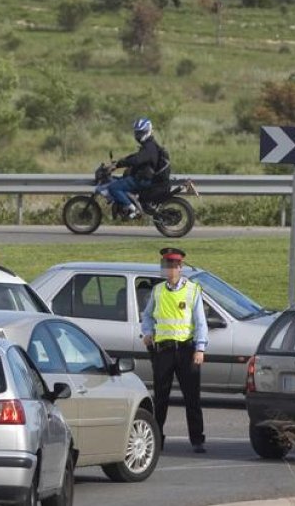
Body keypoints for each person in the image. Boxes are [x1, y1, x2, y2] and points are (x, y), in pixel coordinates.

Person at [140, 246, 208, 453]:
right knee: (160, 397)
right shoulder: (158, 290)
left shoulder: (192, 290)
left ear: (180, 267)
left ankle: (197, 440)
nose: (168, 270)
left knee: (192, 397)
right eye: (165, 266)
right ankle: (157, 438)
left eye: (172, 266)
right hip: (164, 351)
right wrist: (147, 332)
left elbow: (200, 322)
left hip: (186, 350)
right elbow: (148, 314)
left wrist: (200, 348)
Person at [106, 118, 171, 219]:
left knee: (113, 187)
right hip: (146, 177)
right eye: (137, 132)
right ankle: (131, 203)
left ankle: (134, 210)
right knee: (124, 177)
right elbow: (136, 156)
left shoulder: (149, 147)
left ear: (147, 131)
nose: (138, 135)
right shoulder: (149, 145)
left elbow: (136, 160)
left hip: (143, 180)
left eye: (141, 132)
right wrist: (120, 161)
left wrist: (117, 165)